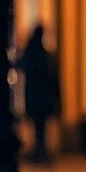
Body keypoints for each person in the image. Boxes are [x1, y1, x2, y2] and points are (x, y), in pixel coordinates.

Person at [20, 23, 59, 164]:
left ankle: (39, 150)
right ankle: (39, 150)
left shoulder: (31, 52)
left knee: (38, 126)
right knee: (40, 126)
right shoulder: (42, 53)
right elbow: (51, 75)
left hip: (35, 94)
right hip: (41, 95)